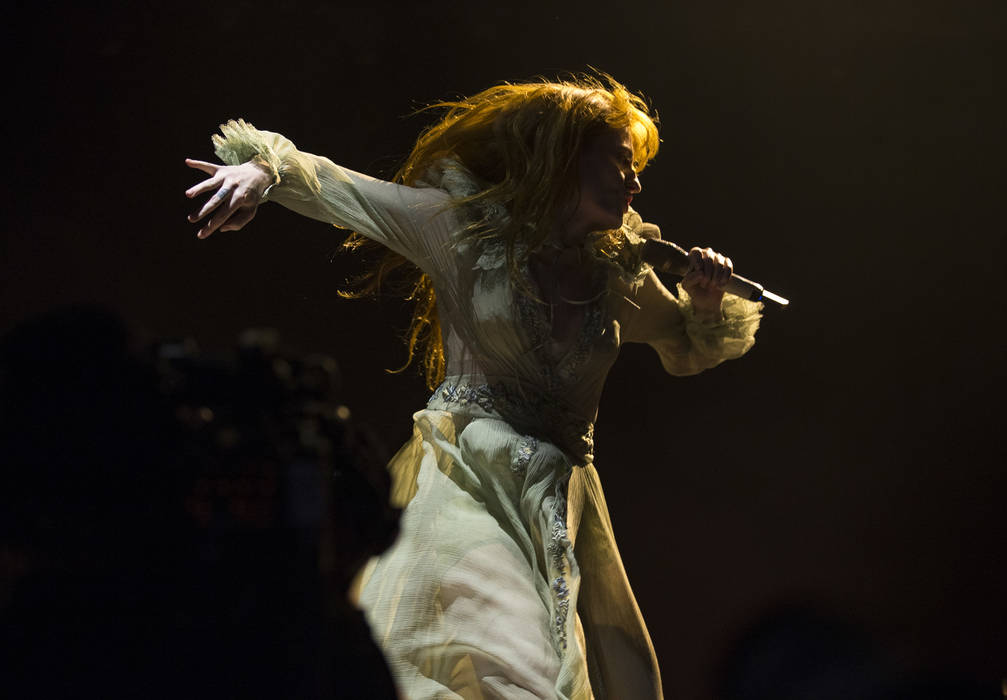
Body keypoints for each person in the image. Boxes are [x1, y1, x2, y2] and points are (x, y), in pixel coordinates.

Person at [185, 74, 762, 700]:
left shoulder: (618, 272)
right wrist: (263, 172)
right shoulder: (465, 231)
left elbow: (687, 346)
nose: (635, 182)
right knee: (510, 661)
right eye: (621, 161)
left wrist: (706, 299)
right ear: (565, 156)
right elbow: (337, 186)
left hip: (559, 504)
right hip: (467, 481)